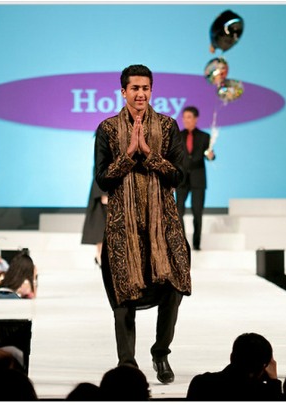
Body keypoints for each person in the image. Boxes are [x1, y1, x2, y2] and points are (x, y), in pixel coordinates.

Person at [94, 64, 191, 384]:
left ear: (152, 90)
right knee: (123, 297)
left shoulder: (168, 126)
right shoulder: (107, 129)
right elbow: (102, 180)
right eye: (134, 88)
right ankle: (127, 363)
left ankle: (161, 352)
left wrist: (149, 154)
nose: (140, 94)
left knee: (174, 287)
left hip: (164, 225)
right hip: (122, 228)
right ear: (123, 92)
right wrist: (127, 155)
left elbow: (179, 176)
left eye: (145, 88)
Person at [186, 333, 281, 400]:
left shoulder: (201, 383)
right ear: (265, 366)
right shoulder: (264, 394)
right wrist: (273, 382)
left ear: (231, 357)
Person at [176, 106, 215, 251]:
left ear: (195, 119)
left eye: (189, 117)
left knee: (197, 212)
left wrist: (211, 156)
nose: (186, 120)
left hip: (198, 179)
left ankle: (197, 243)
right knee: (178, 211)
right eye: (184, 117)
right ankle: (181, 242)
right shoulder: (177, 136)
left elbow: (209, 154)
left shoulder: (204, 137)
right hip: (181, 179)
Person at [81, 177, 108, 267]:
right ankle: (99, 256)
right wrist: (103, 193)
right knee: (100, 226)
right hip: (102, 191)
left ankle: (100, 256)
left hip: (108, 188)